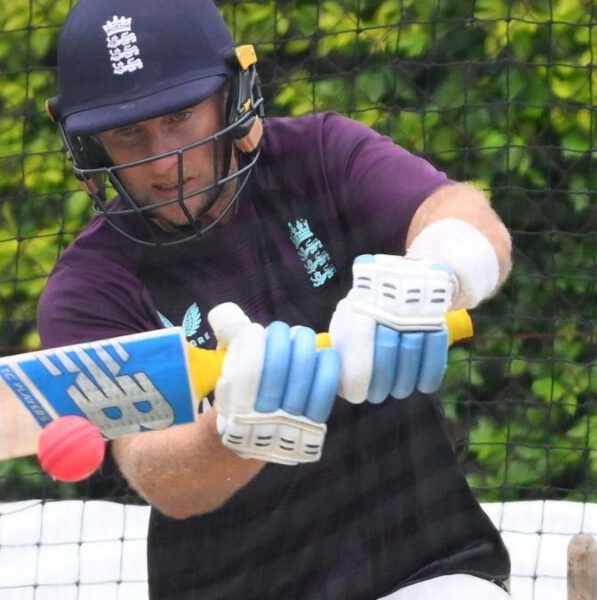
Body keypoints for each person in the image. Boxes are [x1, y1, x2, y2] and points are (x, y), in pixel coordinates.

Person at [38, 0, 514, 597]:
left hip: (421, 569)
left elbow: (468, 216)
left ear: (232, 97)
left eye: (181, 115)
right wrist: (234, 433)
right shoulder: (88, 287)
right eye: (129, 133)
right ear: (92, 148)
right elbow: (152, 468)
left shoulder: (318, 155)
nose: (163, 160)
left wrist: (431, 275)